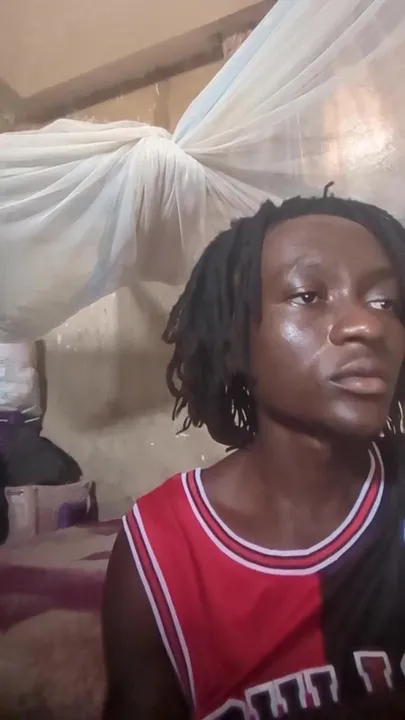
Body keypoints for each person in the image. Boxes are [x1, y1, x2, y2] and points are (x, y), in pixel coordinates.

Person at [102, 186, 405, 719]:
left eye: (385, 302)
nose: (368, 324)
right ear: (236, 341)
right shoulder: (161, 548)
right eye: (309, 296)